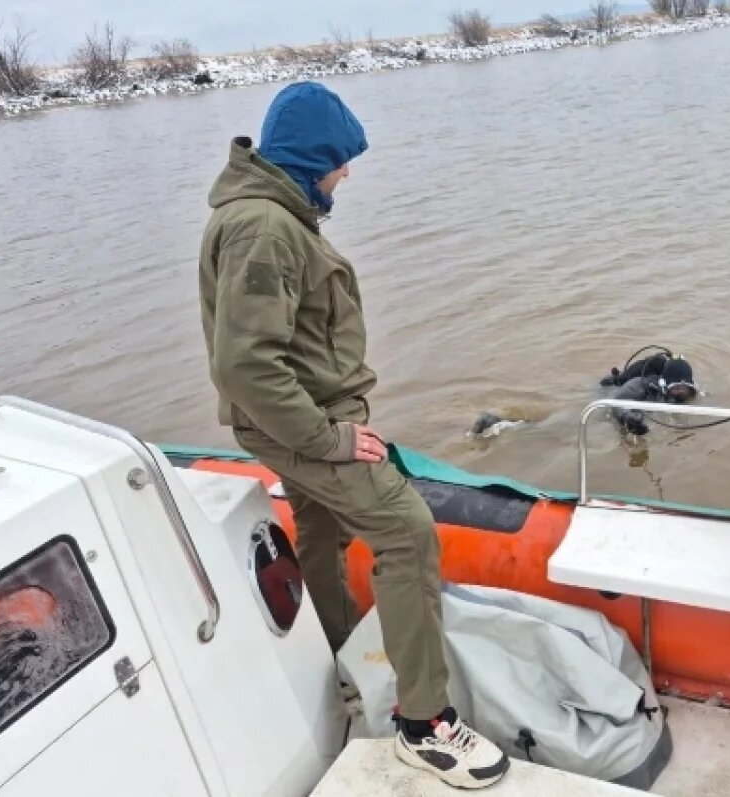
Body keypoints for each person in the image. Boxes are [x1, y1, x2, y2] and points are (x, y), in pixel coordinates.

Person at [198, 81, 508, 790]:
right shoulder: (264, 228)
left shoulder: (274, 213)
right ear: (312, 159)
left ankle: (341, 655)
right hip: (301, 426)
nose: (348, 171)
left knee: (321, 528)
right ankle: (425, 725)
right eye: (341, 159)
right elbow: (246, 366)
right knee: (405, 529)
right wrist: (331, 438)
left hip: (307, 419)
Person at [598, 350, 699, 435]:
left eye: (685, 388)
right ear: (663, 385)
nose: (681, 392)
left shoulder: (693, 392)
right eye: (676, 388)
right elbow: (617, 402)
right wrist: (628, 418)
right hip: (610, 390)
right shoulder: (644, 385)